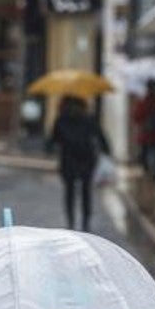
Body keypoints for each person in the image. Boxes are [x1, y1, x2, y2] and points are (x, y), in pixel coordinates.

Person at [46, 96, 111, 232]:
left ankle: (73, 221)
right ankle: (82, 222)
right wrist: (106, 151)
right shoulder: (86, 119)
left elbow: (53, 141)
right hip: (83, 159)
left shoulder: (62, 120)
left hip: (71, 160)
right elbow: (100, 136)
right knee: (83, 191)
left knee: (73, 192)